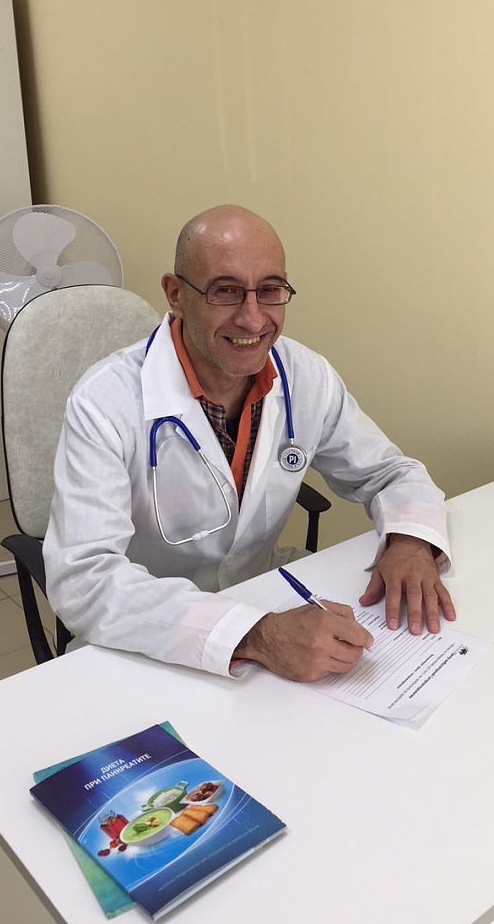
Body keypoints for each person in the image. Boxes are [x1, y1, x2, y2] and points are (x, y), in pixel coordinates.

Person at [44, 206, 454, 682]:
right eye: (225, 291)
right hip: (146, 632)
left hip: (265, 597)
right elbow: (84, 580)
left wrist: (411, 542)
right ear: (176, 294)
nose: (253, 318)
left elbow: (390, 473)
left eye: (270, 290)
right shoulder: (104, 402)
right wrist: (257, 635)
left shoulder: (305, 376)